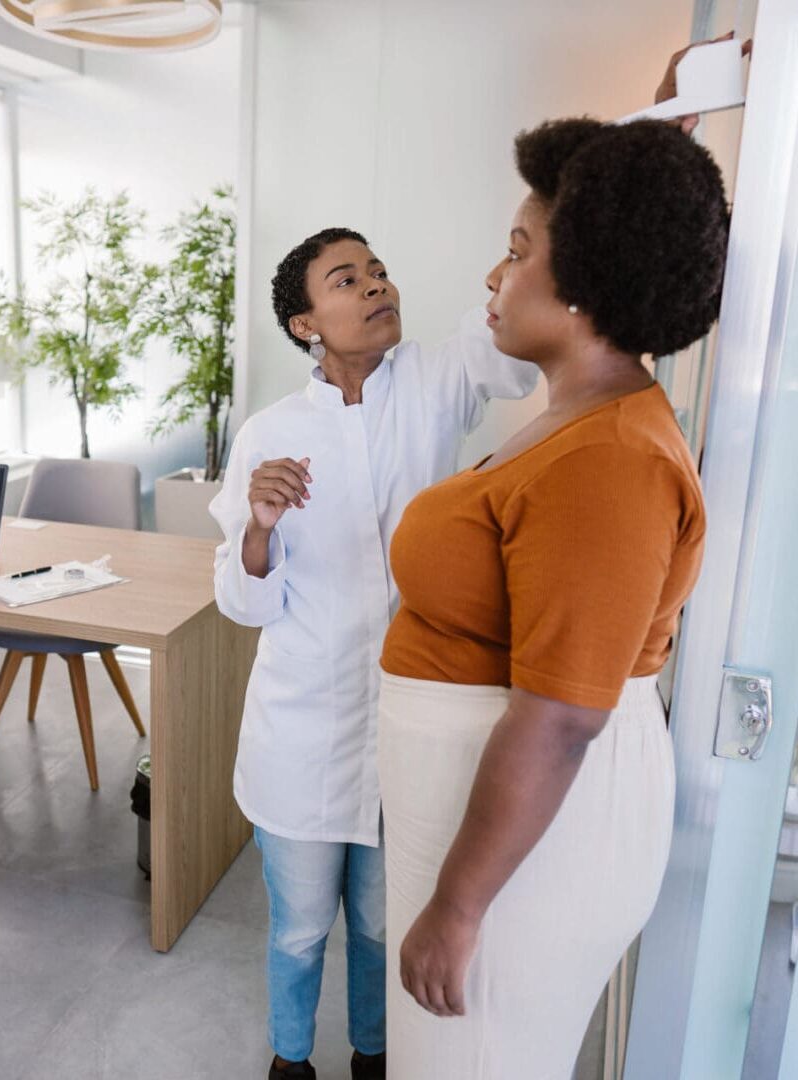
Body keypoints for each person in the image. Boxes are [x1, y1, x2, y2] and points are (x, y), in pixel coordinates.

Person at [377, 117, 729, 1078]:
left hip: (520, 857)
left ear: (584, 285)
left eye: (518, 251)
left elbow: (563, 716)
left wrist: (458, 906)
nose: (494, 276)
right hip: (480, 828)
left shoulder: (608, 460)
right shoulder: (574, 420)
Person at [208, 229, 537, 1080]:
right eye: (346, 280)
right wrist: (259, 527)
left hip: (412, 717)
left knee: (383, 922)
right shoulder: (268, 434)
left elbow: (509, 331)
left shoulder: (434, 379)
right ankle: (290, 1061)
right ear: (303, 323)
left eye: (379, 272)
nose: (375, 288)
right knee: (300, 925)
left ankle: (372, 1057)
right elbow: (245, 604)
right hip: (302, 729)